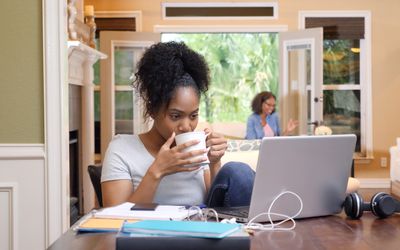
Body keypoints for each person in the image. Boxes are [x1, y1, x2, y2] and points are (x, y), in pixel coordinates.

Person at [101, 41, 255, 208]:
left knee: (238, 171)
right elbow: (114, 219)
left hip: (200, 230)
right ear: (152, 109)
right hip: (149, 232)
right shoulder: (122, 149)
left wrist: (214, 163)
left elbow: (216, 208)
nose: (187, 126)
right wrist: (157, 171)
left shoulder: (196, 150)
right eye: (175, 116)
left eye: (193, 115)